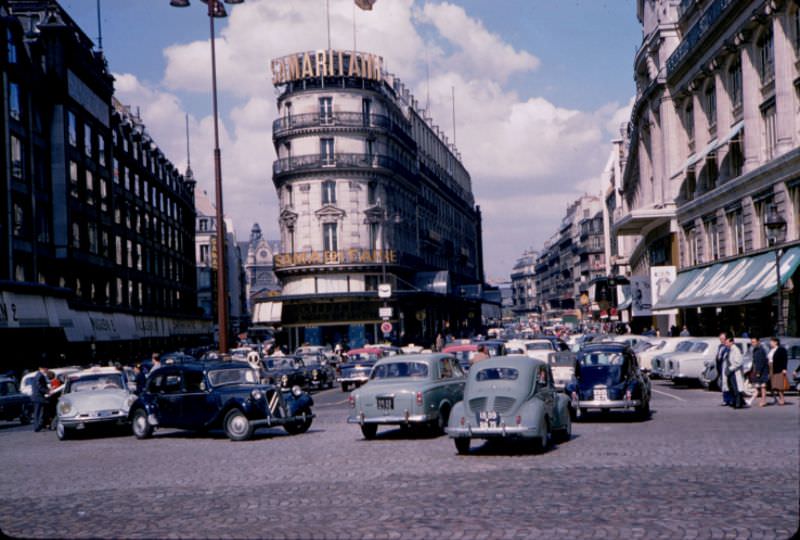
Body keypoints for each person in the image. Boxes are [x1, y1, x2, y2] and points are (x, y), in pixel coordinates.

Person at [722, 333, 745, 409]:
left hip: (735, 372)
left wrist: (730, 369)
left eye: (727, 342)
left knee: (736, 388)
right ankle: (736, 401)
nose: (726, 343)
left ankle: (738, 403)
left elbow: (738, 362)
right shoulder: (730, 350)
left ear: (732, 342)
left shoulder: (736, 350)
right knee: (731, 387)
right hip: (730, 372)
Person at [749, 337, 769, 407]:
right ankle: (755, 400)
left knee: (763, 386)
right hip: (757, 370)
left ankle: (763, 401)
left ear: (758, 342)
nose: (752, 343)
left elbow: (761, 362)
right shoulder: (755, 350)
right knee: (759, 386)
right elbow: (754, 362)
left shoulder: (761, 350)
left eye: (754, 342)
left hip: (762, 371)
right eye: (752, 342)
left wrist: (758, 372)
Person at [31, 360, 50, 432]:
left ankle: (37, 426)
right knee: (39, 413)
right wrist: (47, 391)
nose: (47, 370)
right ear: (42, 368)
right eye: (46, 368)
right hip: (38, 397)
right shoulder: (40, 376)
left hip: (36, 397)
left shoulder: (38, 375)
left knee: (37, 413)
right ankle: (37, 426)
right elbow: (39, 386)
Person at [768, 337, 788, 406]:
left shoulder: (781, 349)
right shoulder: (771, 350)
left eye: (771, 342)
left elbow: (785, 359)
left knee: (779, 385)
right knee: (773, 385)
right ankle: (776, 399)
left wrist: (784, 369)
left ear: (776, 342)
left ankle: (782, 399)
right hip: (771, 368)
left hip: (778, 368)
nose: (770, 343)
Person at [714, 333, 730, 404]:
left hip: (726, 368)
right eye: (720, 339)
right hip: (720, 367)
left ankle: (728, 399)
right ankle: (725, 399)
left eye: (723, 339)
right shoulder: (720, 346)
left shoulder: (727, 347)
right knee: (723, 385)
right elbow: (718, 357)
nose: (721, 340)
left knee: (727, 384)